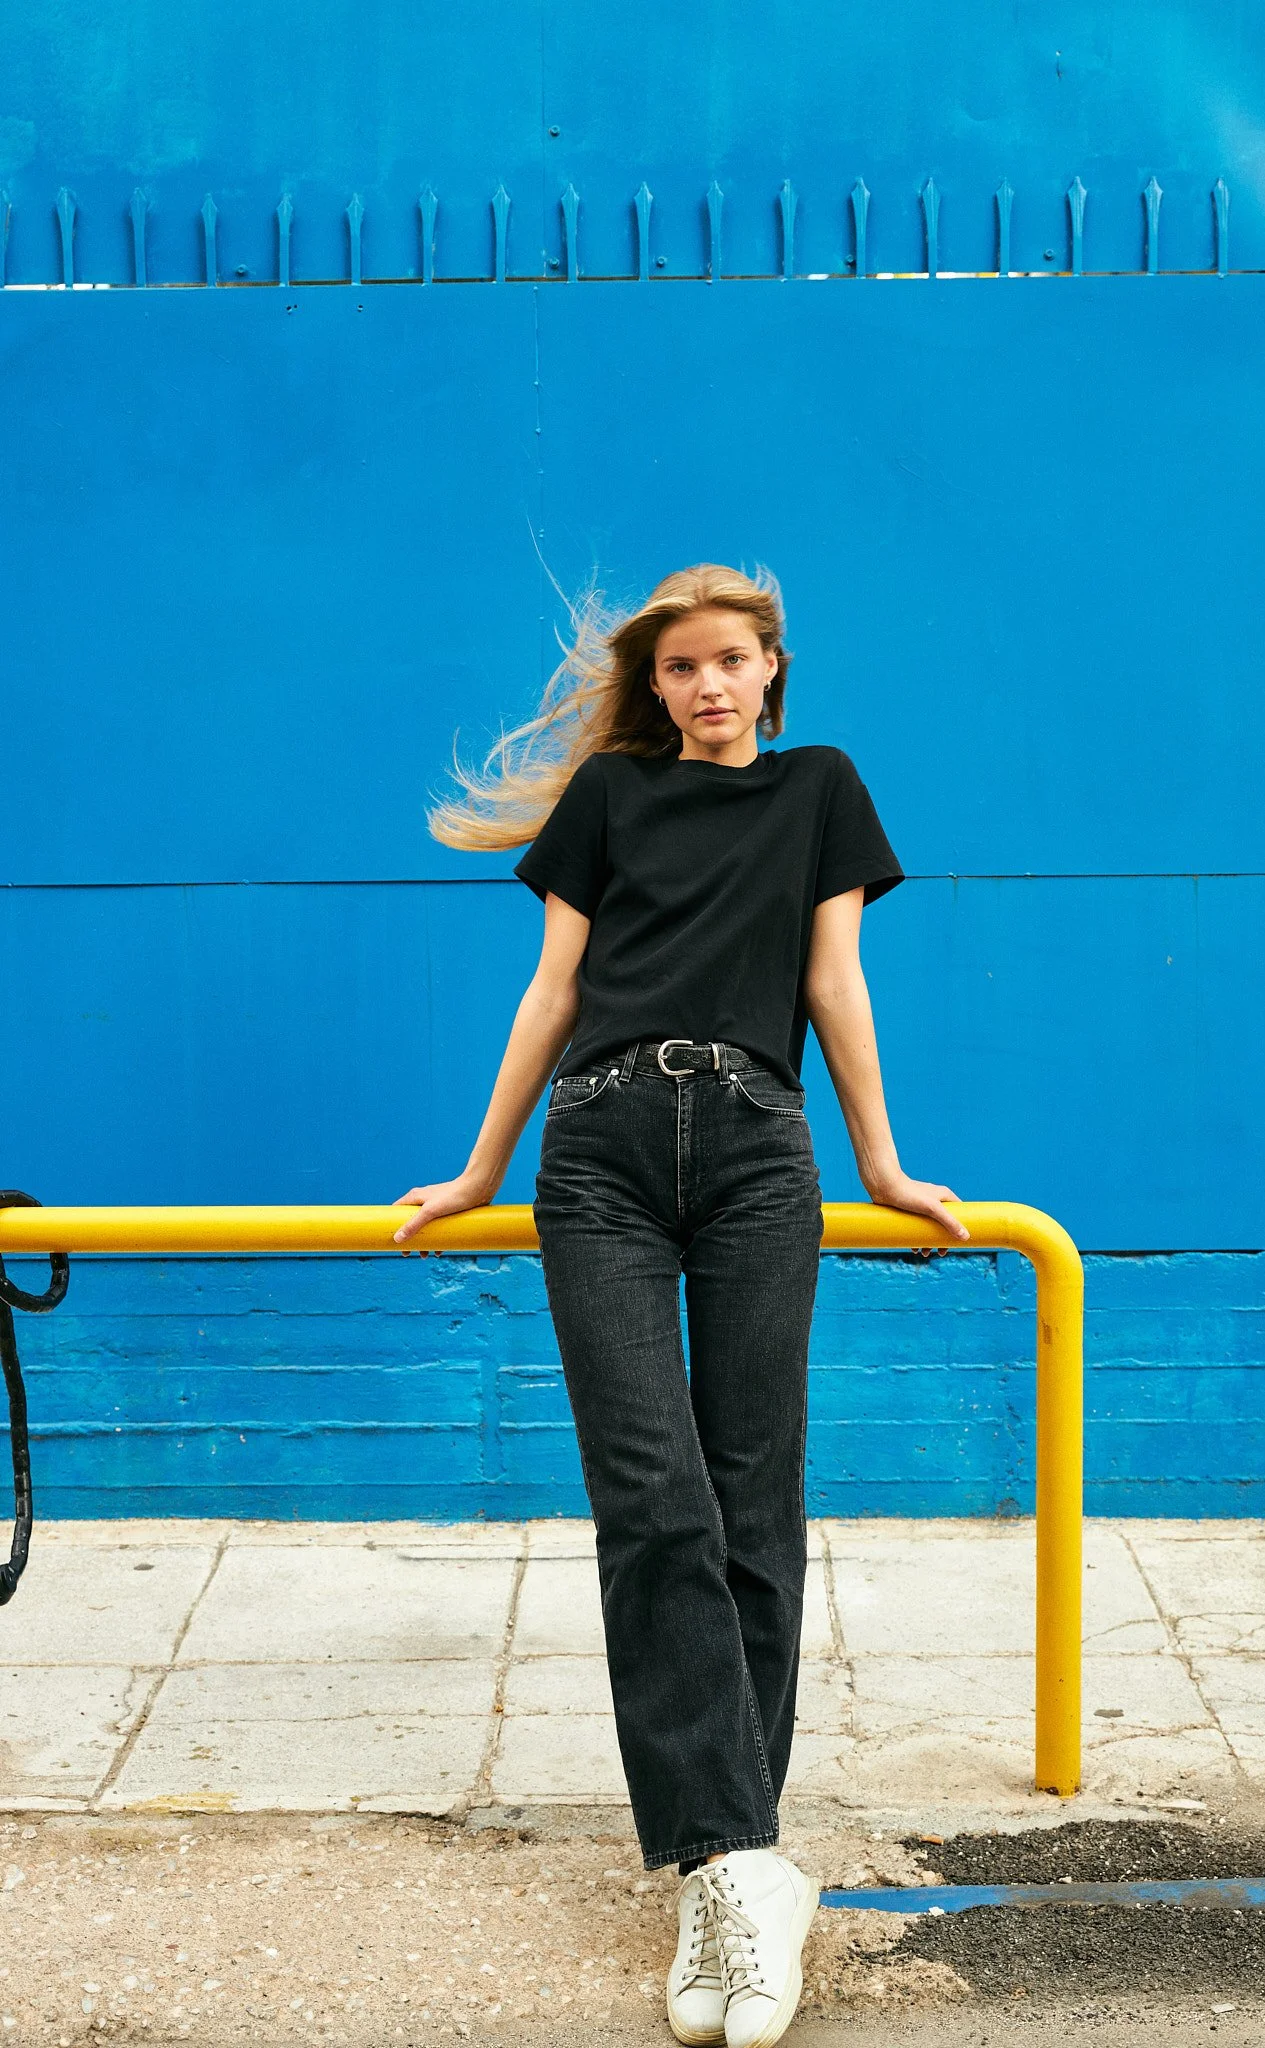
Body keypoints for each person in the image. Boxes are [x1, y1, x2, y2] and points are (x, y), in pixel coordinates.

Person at [392, 563, 969, 2048]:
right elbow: (552, 994)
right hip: (599, 1150)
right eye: (677, 671)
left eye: (730, 662)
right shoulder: (607, 803)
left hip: (761, 1148)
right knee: (652, 1496)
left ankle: (729, 1859)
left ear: (773, 667)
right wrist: (474, 1170)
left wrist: (885, 1165)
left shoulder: (820, 790)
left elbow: (835, 984)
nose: (706, 687)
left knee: (749, 1495)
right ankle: (741, 1867)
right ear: (652, 689)